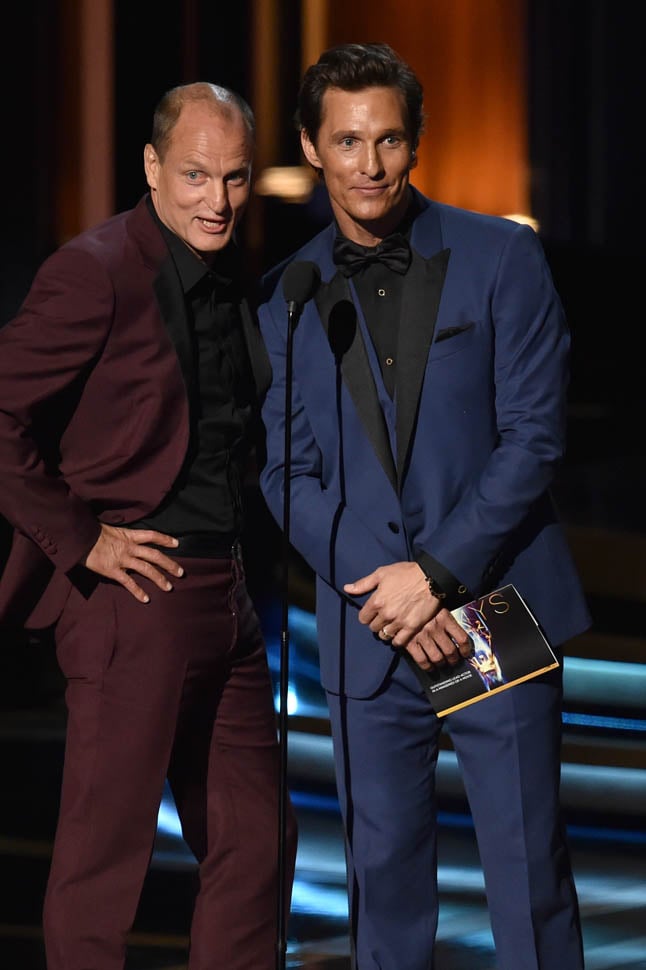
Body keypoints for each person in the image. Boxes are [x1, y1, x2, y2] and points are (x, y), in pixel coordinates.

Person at [258, 43, 590, 970]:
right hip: (373, 624)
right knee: (385, 889)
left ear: (417, 143)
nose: (370, 165)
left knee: (528, 882)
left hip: (489, 607)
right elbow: (287, 471)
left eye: (389, 140)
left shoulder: (501, 257)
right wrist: (390, 590)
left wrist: (435, 579)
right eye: (349, 141)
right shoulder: (285, 299)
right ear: (313, 147)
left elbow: (534, 440)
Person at [0, 81, 297, 970]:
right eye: (198, 176)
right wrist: (81, 538)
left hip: (229, 596)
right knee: (105, 865)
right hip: (136, 596)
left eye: (236, 178)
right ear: (152, 168)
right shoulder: (94, 270)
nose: (218, 200)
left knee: (257, 844)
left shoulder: (233, 274)